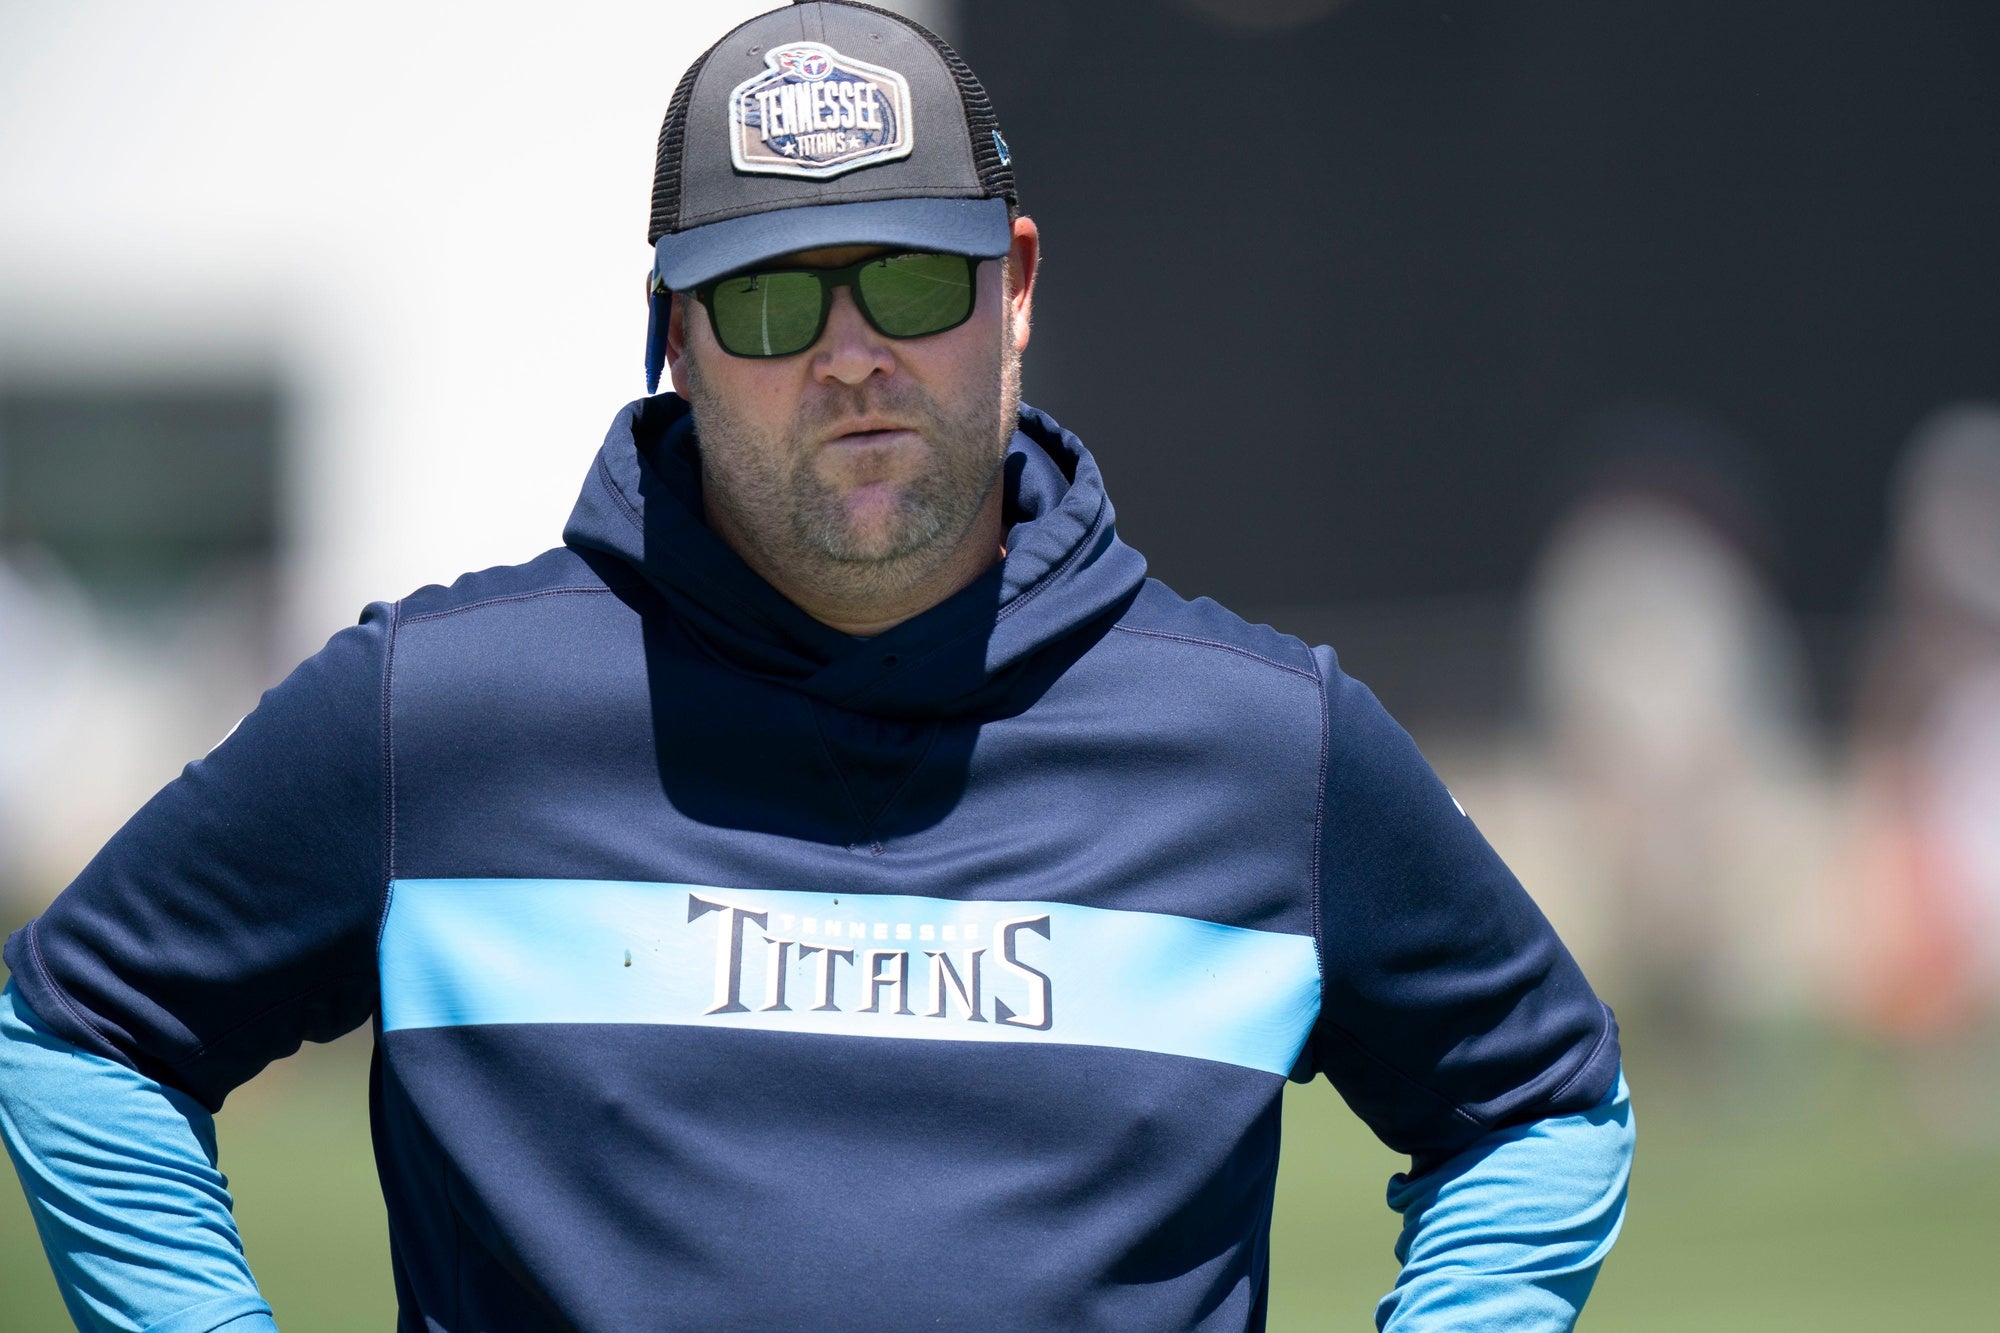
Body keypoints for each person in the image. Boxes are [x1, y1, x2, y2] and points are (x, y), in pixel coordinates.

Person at [0, 4, 1632, 1329]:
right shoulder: (436, 716)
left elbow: (1540, 1105)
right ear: (675, 333)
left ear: (1019, 290)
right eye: (775, 300)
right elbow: (82, 1029)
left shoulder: (1271, 751)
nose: (854, 354)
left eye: (913, 281)